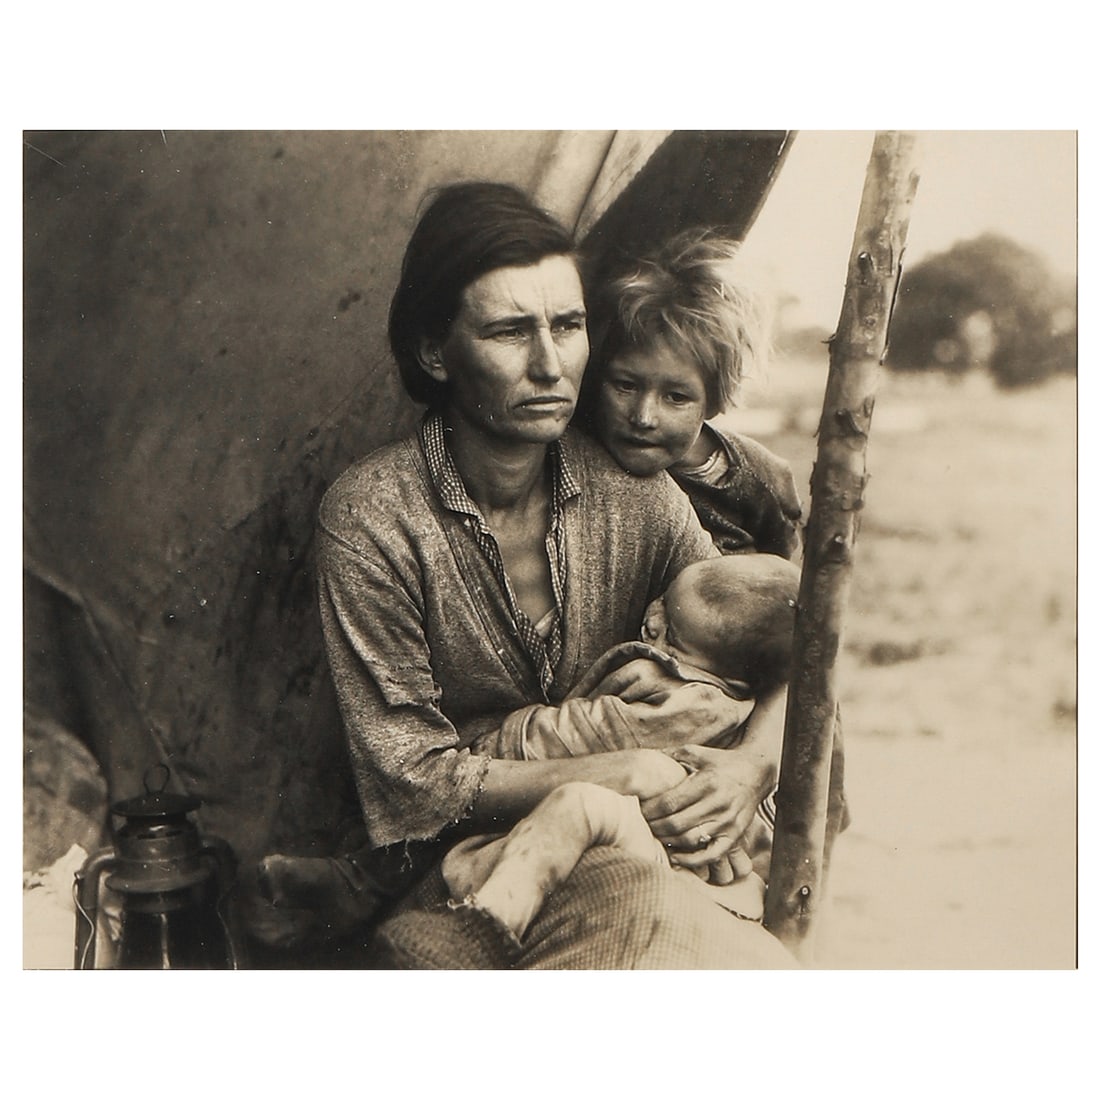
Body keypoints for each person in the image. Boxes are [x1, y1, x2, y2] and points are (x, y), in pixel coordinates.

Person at [275, 181, 791, 969]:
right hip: (469, 870)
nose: (551, 365)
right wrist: (609, 770)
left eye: (570, 325)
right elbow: (414, 782)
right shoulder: (374, 519)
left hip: (636, 843)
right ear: (433, 352)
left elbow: (766, 645)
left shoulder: (637, 497)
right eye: (511, 331)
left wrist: (752, 764)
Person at [584, 228, 803, 558]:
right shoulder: (580, 454)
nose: (643, 417)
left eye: (675, 397)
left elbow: (783, 568)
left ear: (714, 400)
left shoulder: (754, 476)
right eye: (626, 386)